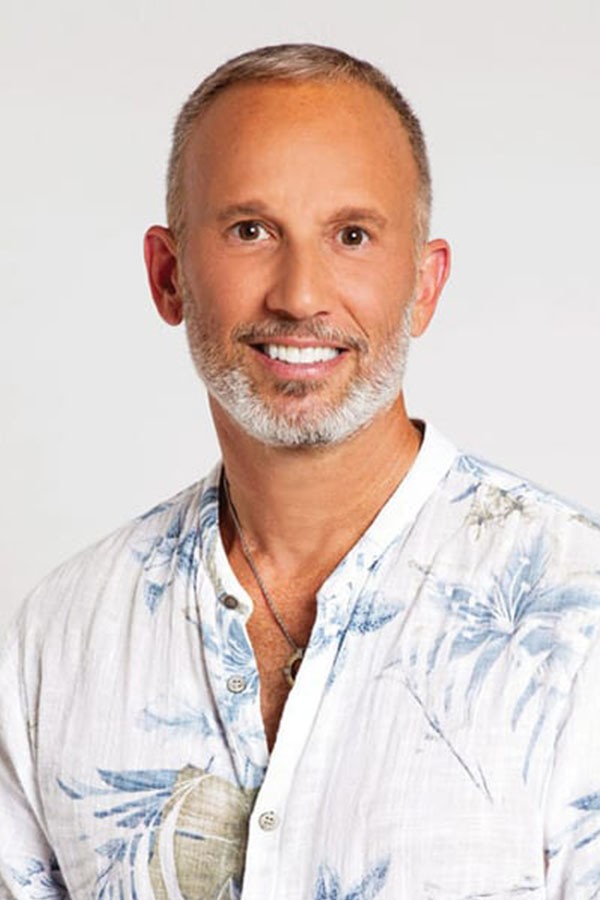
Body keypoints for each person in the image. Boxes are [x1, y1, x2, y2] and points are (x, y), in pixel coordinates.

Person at [1, 42, 600, 900]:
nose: (301, 294)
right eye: (251, 231)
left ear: (424, 285)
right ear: (169, 276)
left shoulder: (577, 621)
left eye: (351, 236)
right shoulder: (60, 643)